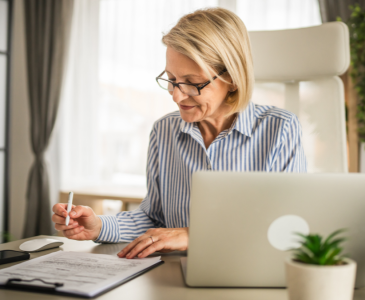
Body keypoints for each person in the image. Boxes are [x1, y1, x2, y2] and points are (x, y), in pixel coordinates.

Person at [52, 8, 306, 259]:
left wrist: (194, 236)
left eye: (192, 83)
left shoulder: (280, 129)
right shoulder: (164, 130)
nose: (176, 95)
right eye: (171, 79)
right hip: (171, 275)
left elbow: (287, 227)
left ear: (233, 78)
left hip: (247, 274)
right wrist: (99, 226)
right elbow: (154, 218)